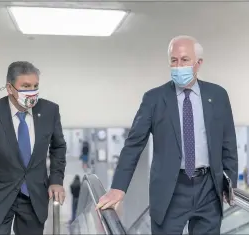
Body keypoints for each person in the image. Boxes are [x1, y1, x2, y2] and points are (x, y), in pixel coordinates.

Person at [96, 35, 238, 234]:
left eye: (185, 60)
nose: (178, 66)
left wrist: (231, 183)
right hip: (171, 190)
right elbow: (134, 145)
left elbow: (228, 141)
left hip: (209, 189)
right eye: (174, 60)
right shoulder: (154, 99)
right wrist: (118, 187)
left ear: (198, 63)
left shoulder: (217, 95)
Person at [0, 61, 67, 235]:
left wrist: (56, 180)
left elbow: (58, 147)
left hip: (33, 196)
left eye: (35, 86)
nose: (32, 91)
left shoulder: (49, 111)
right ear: (10, 88)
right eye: (25, 86)